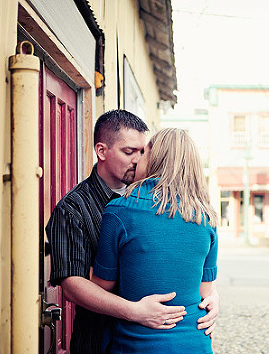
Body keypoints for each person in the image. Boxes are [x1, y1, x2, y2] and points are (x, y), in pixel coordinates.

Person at [46, 110, 219, 354]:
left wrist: (212, 298)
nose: (137, 160)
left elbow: (196, 277)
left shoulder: (149, 207)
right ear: (102, 151)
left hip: (139, 340)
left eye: (142, 152)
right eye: (129, 152)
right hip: (97, 339)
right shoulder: (73, 209)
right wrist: (135, 310)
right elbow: (72, 285)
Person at [92, 128, 219, 353]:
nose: (137, 159)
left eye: (143, 152)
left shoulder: (119, 211)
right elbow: (205, 292)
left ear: (153, 159)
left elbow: (103, 286)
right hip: (194, 342)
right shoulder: (206, 217)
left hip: (136, 345)